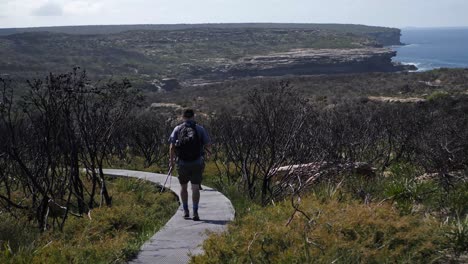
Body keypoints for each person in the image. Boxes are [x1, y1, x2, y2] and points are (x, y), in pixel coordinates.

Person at [169, 109, 211, 221]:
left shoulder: (177, 129)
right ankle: (195, 212)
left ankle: (186, 210)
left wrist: (172, 162)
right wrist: (207, 153)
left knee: (183, 187)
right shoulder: (200, 129)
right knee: (195, 187)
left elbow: (172, 147)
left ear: (183, 117)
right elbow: (207, 144)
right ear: (193, 116)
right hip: (197, 162)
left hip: (182, 162)